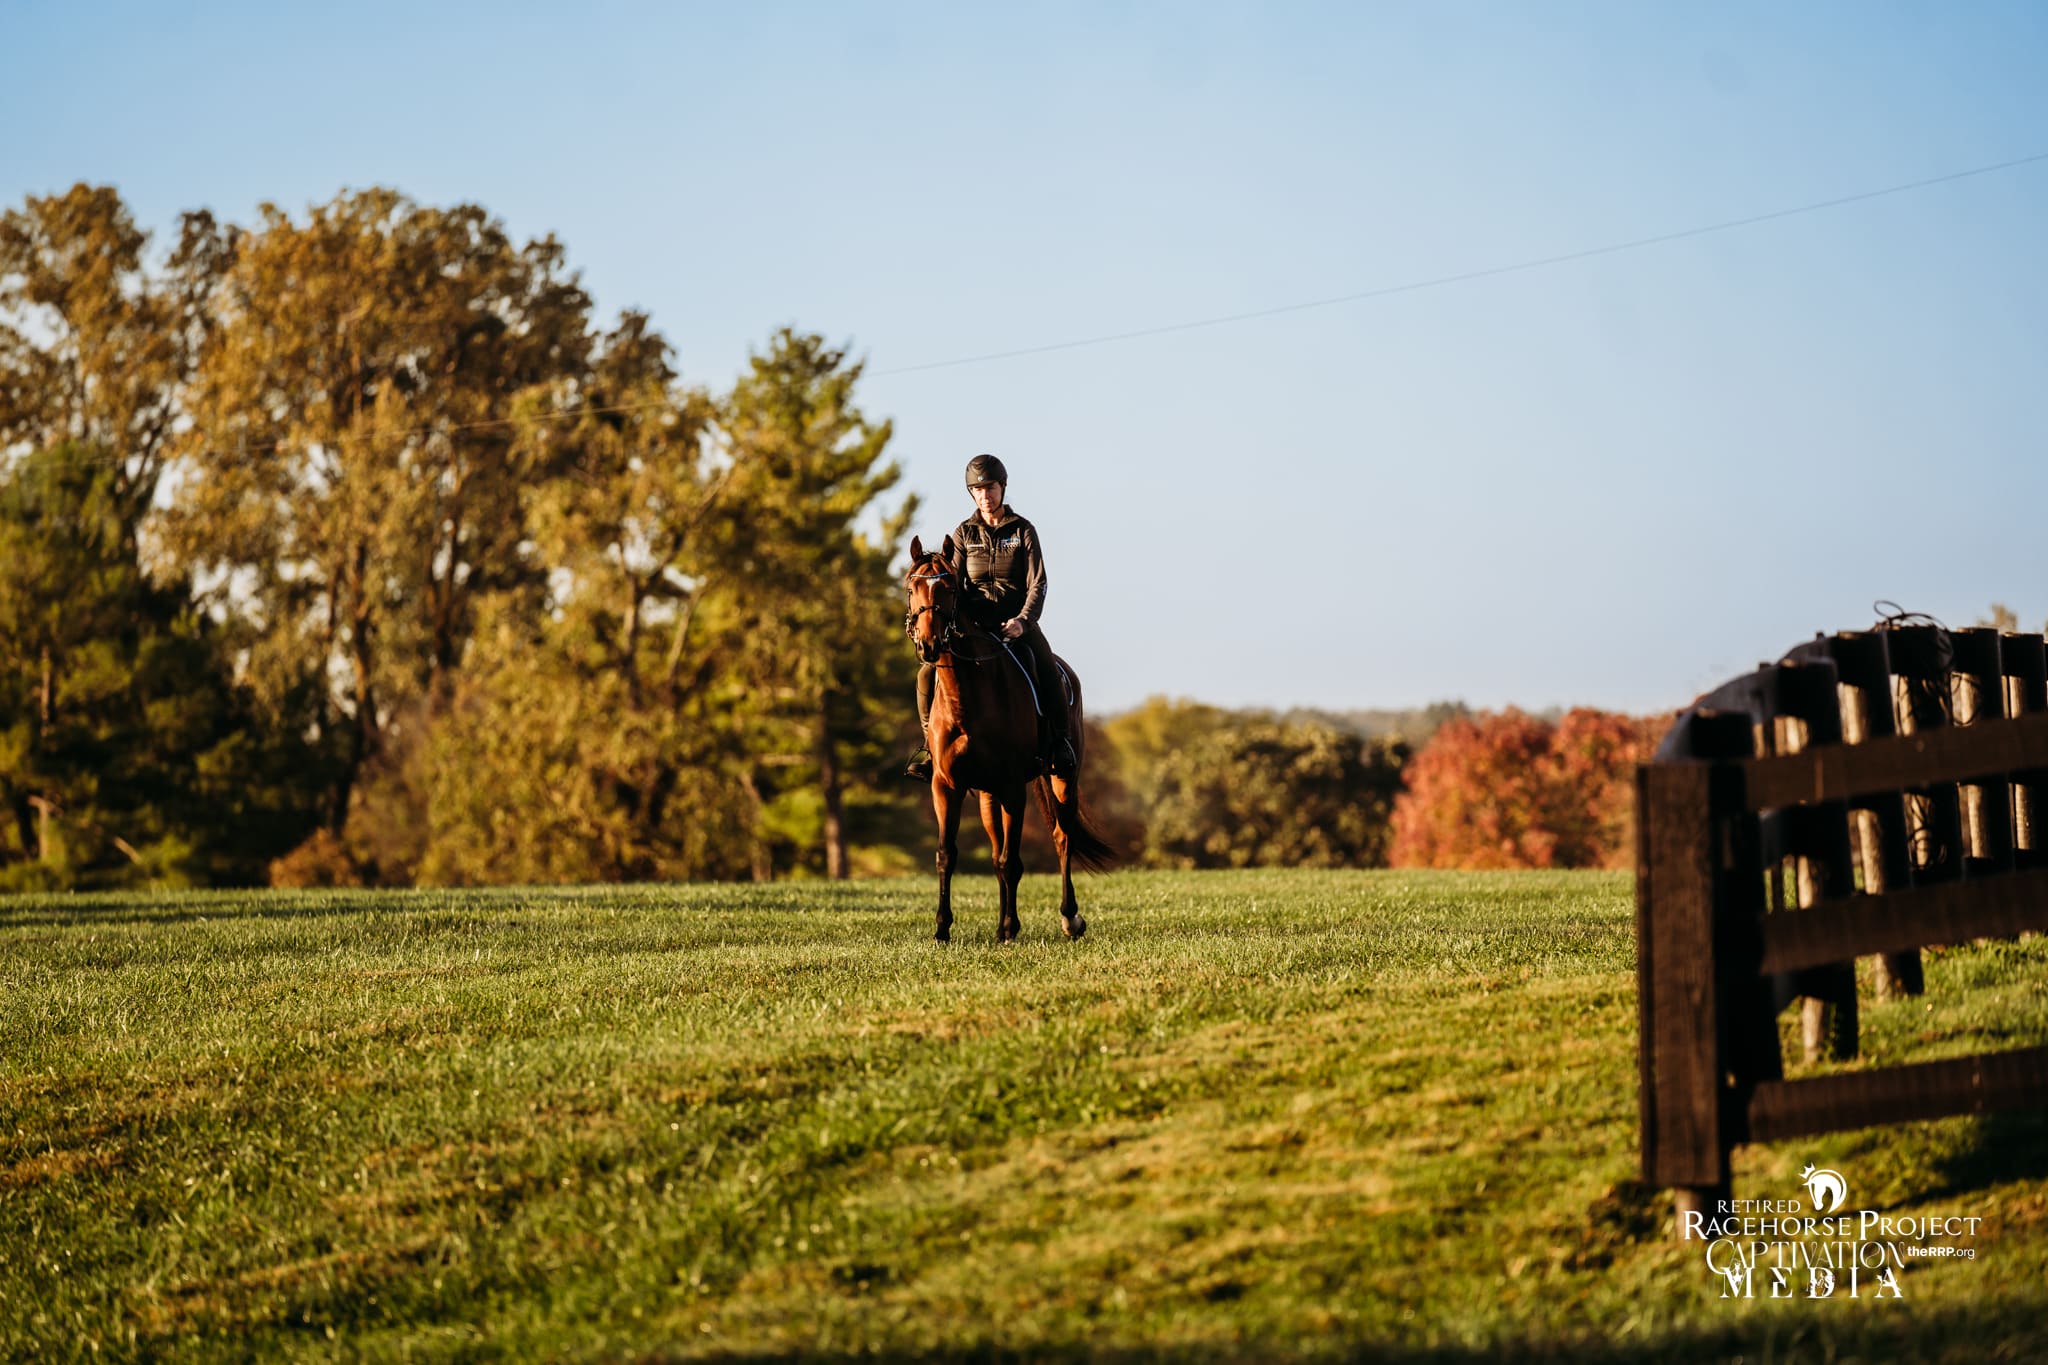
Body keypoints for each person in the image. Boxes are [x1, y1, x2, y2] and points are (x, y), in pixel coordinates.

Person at [906, 453, 1078, 780]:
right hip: (976, 627)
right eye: (979, 490)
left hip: (1016, 624)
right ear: (972, 494)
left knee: (1045, 666)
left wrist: (1023, 621)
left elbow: (1037, 583)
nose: (986, 495)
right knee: (926, 675)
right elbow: (951, 583)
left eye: (991, 488)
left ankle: (1060, 742)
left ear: (1003, 488)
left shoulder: (1023, 530)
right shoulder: (963, 533)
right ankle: (931, 749)